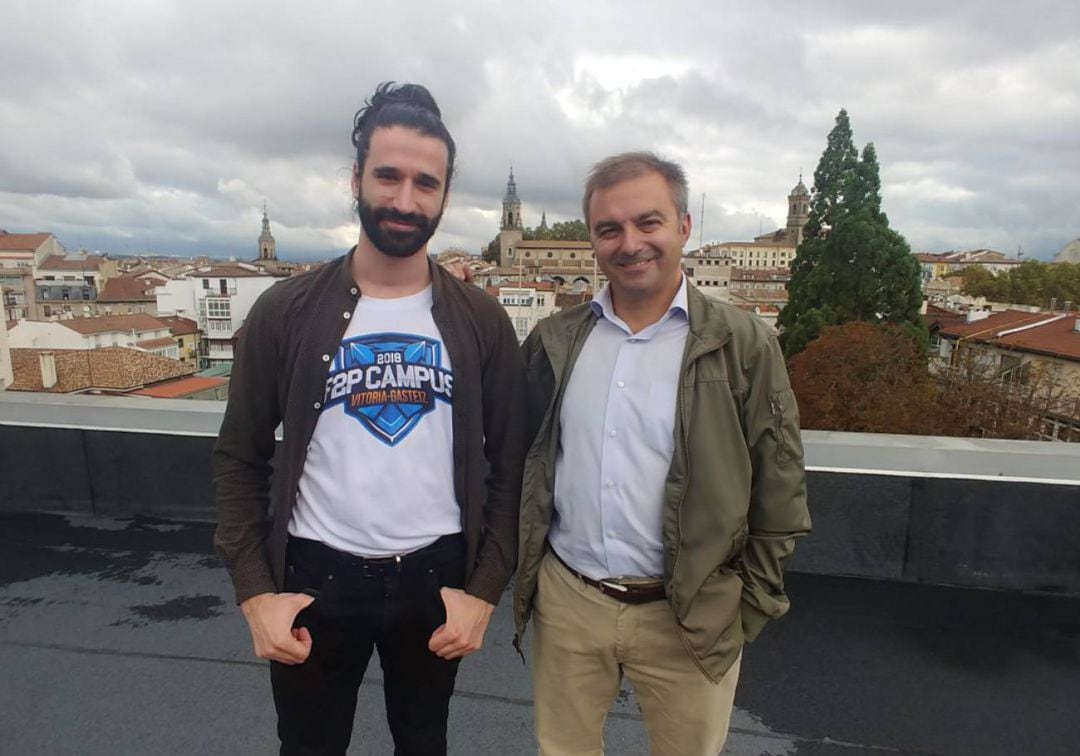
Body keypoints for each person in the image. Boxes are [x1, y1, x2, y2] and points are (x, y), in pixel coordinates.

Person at [213, 81, 526, 756]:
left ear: (445, 194)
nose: (406, 200)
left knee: (423, 742)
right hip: (315, 578)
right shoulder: (286, 312)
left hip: (437, 579)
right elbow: (240, 456)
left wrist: (484, 589)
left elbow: (511, 462)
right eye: (388, 176)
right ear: (356, 177)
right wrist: (255, 593)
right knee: (309, 745)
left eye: (426, 183)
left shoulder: (481, 322)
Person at [514, 151, 811, 755]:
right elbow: (527, 458)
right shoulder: (555, 339)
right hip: (570, 601)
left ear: (683, 226)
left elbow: (780, 485)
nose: (629, 243)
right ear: (593, 241)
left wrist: (747, 606)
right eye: (609, 229)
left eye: (647, 222)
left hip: (692, 613)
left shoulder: (743, 343)